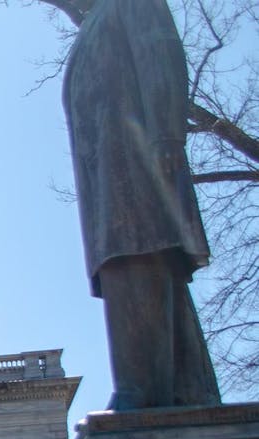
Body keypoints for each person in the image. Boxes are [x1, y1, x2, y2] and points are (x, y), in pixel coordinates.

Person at [63, 0, 222, 410]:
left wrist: (168, 134)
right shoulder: (92, 24)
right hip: (107, 170)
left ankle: (140, 387)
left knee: (138, 256)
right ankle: (187, 387)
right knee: (135, 266)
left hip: (132, 158)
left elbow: (161, 49)